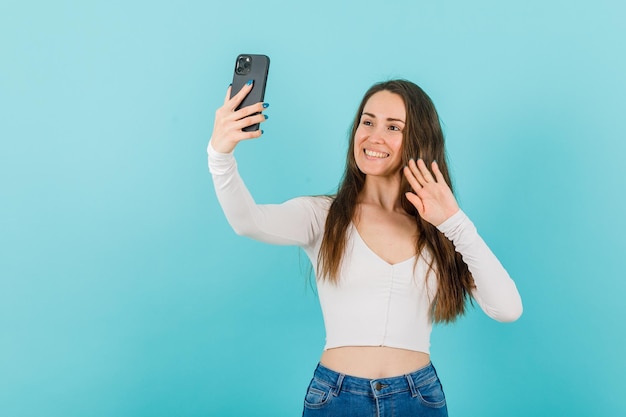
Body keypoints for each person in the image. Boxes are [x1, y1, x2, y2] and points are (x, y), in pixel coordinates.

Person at [207, 79, 523, 417]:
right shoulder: (323, 215)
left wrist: (455, 222)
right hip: (337, 397)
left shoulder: (442, 230)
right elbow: (248, 221)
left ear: (419, 139)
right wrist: (219, 154)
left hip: (418, 399)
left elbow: (507, 309)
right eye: (367, 121)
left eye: (393, 127)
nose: (374, 136)